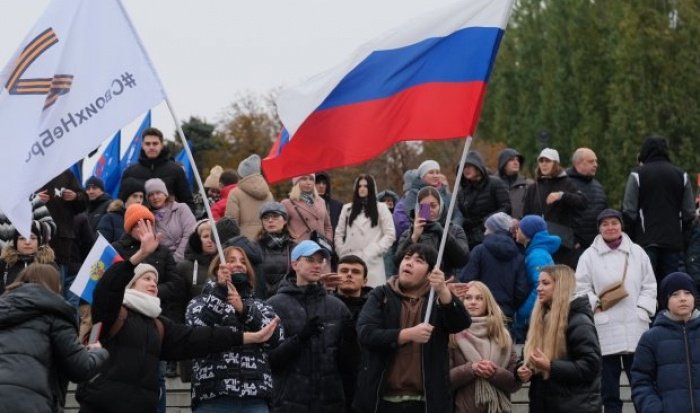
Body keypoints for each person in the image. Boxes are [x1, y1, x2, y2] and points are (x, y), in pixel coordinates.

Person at [76, 219, 279, 413]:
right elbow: (106, 290)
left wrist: (247, 337)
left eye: (155, 280)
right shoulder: (113, 312)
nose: (153, 283)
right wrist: (140, 255)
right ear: (131, 284)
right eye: (146, 278)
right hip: (102, 406)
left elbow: (198, 338)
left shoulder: (159, 325)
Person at [354, 243, 471, 413]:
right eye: (406, 258)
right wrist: (407, 334)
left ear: (430, 273)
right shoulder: (381, 295)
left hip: (427, 402)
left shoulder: (436, 299)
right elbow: (366, 333)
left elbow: (461, 323)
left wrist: (444, 292)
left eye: (419, 261)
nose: (408, 263)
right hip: (381, 400)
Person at [575, 208, 656, 413]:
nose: (610, 227)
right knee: (608, 389)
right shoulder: (588, 256)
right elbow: (581, 287)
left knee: (641, 384)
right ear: (599, 228)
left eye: (614, 223)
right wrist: (596, 306)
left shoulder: (637, 252)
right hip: (604, 325)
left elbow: (650, 284)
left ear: (621, 225)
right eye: (605, 224)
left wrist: (643, 310)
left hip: (635, 324)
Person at [186, 245, 283, 412]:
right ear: (218, 269)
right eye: (231, 261)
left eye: (243, 261)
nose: (238, 264)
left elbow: (276, 338)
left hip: (255, 399)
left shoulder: (260, 305)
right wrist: (220, 292)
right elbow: (198, 333)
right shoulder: (198, 302)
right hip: (213, 398)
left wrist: (244, 310)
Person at [0, 264, 108, 413]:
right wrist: (98, 352)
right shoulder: (56, 313)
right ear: (56, 286)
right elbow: (80, 367)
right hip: (31, 403)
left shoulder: (4, 310)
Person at [266, 240, 354, 412]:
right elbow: (269, 361)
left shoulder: (337, 307)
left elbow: (347, 365)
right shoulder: (274, 305)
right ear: (295, 264)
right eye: (310, 259)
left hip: (330, 403)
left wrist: (351, 342)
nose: (317, 265)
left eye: (320, 260)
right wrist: (299, 339)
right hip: (289, 402)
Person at [516, 264, 602, 412]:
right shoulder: (540, 320)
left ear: (561, 286)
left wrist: (550, 366)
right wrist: (522, 369)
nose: (538, 288)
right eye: (538, 283)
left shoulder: (579, 321)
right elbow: (528, 356)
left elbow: (590, 366)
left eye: (545, 283)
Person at [622, 135, 696, 284]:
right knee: (671, 284)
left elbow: (629, 211)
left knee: (645, 284)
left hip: (645, 240)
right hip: (673, 241)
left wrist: (630, 237)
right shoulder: (682, 175)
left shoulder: (637, 174)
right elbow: (689, 212)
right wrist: (684, 237)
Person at [631, 272, 700, 412]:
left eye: (687, 293)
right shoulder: (651, 338)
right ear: (665, 300)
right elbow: (641, 381)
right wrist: (654, 409)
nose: (682, 298)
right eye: (675, 294)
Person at [449, 281, 520, 413]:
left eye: (479, 298)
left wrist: (493, 372)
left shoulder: (502, 336)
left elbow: (514, 383)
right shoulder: (452, 334)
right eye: (467, 298)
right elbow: (444, 380)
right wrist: (471, 368)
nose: (473, 302)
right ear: (460, 301)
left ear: (487, 302)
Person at [459, 212, 528, 330]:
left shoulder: (479, 251)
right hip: (505, 315)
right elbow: (521, 290)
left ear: (492, 229)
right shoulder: (518, 256)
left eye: (486, 228)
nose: (484, 232)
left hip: (480, 315)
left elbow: (466, 280)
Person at [522, 147, 587, 267]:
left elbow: (582, 202)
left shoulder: (566, 182)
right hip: (538, 242)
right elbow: (526, 215)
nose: (544, 164)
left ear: (555, 164)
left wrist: (562, 195)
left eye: (548, 161)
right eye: (541, 161)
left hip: (561, 245)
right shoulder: (533, 187)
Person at [395, 186, 469, 279]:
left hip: (443, 282)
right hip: (415, 284)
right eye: (424, 207)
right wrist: (413, 237)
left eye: (433, 206)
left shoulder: (454, 230)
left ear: (440, 206)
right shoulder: (409, 232)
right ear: (418, 208)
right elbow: (398, 262)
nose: (429, 210)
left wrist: (441, 233)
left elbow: (462, 260)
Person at [335, 174, 396, 287]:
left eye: (366, 186)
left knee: (372, 297)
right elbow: (338, 233)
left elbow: (390, 234)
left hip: (372, 262)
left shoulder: (381, 208)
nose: (362, 189)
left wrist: (374, 250)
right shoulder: (347, 208)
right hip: (350, 259)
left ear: (371, 188)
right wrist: (342, 253)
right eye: (359, 186)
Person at [39, 169, 88, 307]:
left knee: (57, 295)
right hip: (34, 244)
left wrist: (76, 197)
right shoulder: (33, 170)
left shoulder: (66, 174)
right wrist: (34, 199)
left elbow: (83, 203)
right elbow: (16, 201)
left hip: (61, 246)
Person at [120, 127, 195, 211]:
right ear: (142, 145)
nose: (151, 147)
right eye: (148, 144)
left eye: (155, 143)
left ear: (162, 145)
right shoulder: (130, 172)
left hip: (169, 222)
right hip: (139, 221)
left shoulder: (176, 170)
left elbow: (188, 203)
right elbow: (122, 203)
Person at [333, 254, 373, 412]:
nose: (349, 274)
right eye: (344, 270)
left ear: (365, 280)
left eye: (355, 272)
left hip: (363, 385)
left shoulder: (376, 309)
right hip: (328, 384)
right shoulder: (323, 305)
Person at [513, 215, 560, 342]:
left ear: (528, 233)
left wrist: (521, 315)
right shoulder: (536, 252)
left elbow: (539, 288)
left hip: (532, 318)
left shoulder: (537, 255)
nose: (516, 231)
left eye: (520, 228)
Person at [455, 151, 511, 248]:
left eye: (469, 166)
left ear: (478, 167)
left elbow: (506, 207)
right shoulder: (460, 191)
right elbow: (458, 214)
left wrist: (487, 221)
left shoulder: (494, 183)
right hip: (470, 240)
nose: (466, 169)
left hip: (492, 235)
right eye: (463, 167)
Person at [394, 160, 452, 238]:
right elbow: (425, 219)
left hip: (447, 233)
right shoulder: (415, 193)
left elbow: (452, 212)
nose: (435, 175)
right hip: (426, 236)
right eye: (431, 173)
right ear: (422, 176)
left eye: (437, 172)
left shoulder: (443, 192)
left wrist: (453, 227)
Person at [567, 148, 608, 255]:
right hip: (572, 249)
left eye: (596, 161)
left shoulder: (598, 186)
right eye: (591, 161)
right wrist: (572, 243)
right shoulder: (564, 184)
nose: (596, 165)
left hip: (596, 247)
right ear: (578, 163)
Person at [145, 177, 197, 263]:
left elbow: (190, 232)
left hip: (188, 257)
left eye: (158, 193)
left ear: (165, 194)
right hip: (164, 261)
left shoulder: (181, 208)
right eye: (151, 195)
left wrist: (178, 257)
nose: (155, 197)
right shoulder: (149, 218)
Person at [225, 154, 274, 240]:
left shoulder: (234, 193)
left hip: (243, 241)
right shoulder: (269, 194)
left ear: (241, 174)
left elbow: (231, 223)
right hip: (267, 240)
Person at [0, 220, 55, 294]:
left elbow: (56, 295)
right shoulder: (4, 263)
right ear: (16, 242)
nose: (27, 242)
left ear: (38, 241)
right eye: (22, 238)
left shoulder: (49, 265)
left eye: (32, 238)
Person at [255, 202, 296, 298]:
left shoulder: (294, 247)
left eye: (275, 217)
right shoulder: (255, 246)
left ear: (285, 220)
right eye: (266, 218)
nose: (270, 220)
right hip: (262, 298)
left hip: (287, 298)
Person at [282, 174, 333, 242]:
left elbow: (328, 227)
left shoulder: (321, 201)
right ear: (297, 182)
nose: (308, 182)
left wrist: (328, 241)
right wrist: (291, 238)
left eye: (311, 179)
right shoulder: (287, 203)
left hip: (320, 247)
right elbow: (281, 227)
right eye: (304, 179)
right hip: (300, 247)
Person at [96, 177, 145, 243]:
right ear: (125, 199)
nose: (139, 200)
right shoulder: (109, 219)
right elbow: (102, 247)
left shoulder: (145, 219)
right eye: (134, 196)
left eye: (141, 197)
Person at [497, 148, 530, 219]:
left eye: (517, 160)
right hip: (497, 227)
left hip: (521, 228)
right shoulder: (493, 184)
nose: (516, 162)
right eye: (511, 160)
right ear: (503, 163)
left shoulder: (528, 185)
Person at [316, 171, 344, 235]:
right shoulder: (306, 205)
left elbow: (341, 230)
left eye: (324, 183)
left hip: (332, 242)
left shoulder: (337, 206)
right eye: (318, 182)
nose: (321, 186)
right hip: (312, 243)